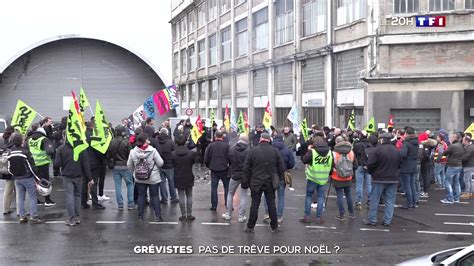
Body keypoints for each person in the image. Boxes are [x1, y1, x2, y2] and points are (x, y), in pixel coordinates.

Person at [243, 133, 285, 233]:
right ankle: (274, 227)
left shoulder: (253, 151)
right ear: (269, 139)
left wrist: (247, 181)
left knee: (254, 204)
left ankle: (250, 226)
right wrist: (279, 179)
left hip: (256, 181)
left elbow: (246, 168)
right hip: (270, 182)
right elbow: (281, 167)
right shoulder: (275, 151)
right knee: (271, 204)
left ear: (261, 139)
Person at [364, 133, 401, 227]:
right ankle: (387, 221)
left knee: (374, 200)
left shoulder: (377, 150)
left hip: (379, 178)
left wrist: (372, 173)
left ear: (382, 140)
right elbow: (400, 164)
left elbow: (370, 164)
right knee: (390, 201)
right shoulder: (396, 150)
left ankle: (372, 220)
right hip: (393, 178)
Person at [55, 141, 93, 226]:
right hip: (78, 175)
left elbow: (57, 164)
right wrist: (90, 178)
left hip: (67, 175)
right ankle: (77, 217)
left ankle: (71, 218)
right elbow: (86, 164)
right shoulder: (81, 148)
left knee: (69, 197)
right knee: (77, 196)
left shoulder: (61, 149)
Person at [7, 133, 43, 224]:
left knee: (20, 197)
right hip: (27, 178)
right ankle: (34, 216)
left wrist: (14, 175)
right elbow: (32, 167)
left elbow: (9, 168)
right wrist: (37, 178)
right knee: (32, 196)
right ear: (21, 141)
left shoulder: (10, 153)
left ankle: (22, 217)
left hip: (17, 179)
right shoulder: (26, 152)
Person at [127, 133, 164, 221]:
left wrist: (135, 170)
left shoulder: (133, 152)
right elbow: (160, 163)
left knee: (141, 196)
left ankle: (140, 216)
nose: (149, 140)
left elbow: (129, 165)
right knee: (155, 196)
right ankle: (158, 216)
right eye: (147, 139)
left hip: (139, 178)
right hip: (153, 177)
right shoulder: (153, 151)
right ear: (144, 141)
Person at [300, 136, 333, 225]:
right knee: (321, 197)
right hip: (323, 178)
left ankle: (306, 216)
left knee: (309, 196)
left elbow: (304, 160)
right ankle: (319, 217)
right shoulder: (330, 152)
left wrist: (308, 151)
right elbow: (332, 164)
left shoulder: (313, 152)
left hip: (313, 177)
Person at [263, 134, 295, 224]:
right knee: (281, 196)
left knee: (267, 195)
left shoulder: (268, 149)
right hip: (281, 175)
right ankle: (279, 216)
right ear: (283, 139)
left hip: (269, 175)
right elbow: (292, 163)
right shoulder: (287, 150)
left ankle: (267, 213)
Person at [25, 126, 56, 206]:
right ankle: (47, 200)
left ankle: (36, 200)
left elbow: (26, 149)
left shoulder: (30, 139)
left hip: (33, 164)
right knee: (45, 182)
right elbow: (50, 151)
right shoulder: (44, 139)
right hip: (43, 164)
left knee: (35, 182)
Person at [107, 125, 135, 211]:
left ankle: (120, 205)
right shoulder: (127, 142)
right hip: (126, 166)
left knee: (117, 186)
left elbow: (108, 155)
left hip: (116, 166)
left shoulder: (111, 142)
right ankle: (130, 204)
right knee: (130, 185)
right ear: (123, 132)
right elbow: (131, 155)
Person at [223, 135, 250, 223]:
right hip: (245, 176)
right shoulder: (249, 151)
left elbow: (229, 162)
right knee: (243, 195)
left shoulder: (232, 149)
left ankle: (228, 214)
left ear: (239, 139)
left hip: (234, 174)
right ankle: (241, 216)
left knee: (230, 193)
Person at [331, 136, 358, 221]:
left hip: (337, 176)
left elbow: (330, 166)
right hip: (348, 176)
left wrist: (331, 173)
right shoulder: (351, 152)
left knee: (339, 195)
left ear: (336, 142)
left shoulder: (334, 153)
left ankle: (342, 214)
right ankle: (351, 213)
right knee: (348, 194)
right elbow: (356, 165)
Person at [172, 135, 197, 222]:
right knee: (189, 195)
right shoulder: (191, 153)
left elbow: (172, 164)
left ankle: (183, 215)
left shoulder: (173, 154)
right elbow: (194, 161)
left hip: (178, 176)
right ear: (185, 142)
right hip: (189, 175)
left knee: (181, 195)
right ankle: (189, 214)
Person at [204, 130, 230, 211]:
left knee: (214, 188)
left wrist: (209, 166)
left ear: (215, 136)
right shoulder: (226, 146)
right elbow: (230, 157)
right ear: (222, 136)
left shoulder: (211, 146)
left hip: (214, 169)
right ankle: (228, 204)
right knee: (227, 188)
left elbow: (206, 158)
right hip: (225, 169)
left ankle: (214, 205)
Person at [83, 121, 106, 210]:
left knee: (84, 182)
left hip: (84, 161)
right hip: (94, 162)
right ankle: (95, 203)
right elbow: (98, 149)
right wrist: (101, 160)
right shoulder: (94, 136)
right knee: (94, 183)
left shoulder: (82, 135)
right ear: (93, 126)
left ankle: (83, 202)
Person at [440, 132, 464, 204]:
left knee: (447, 181)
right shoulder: (461, 145)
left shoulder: (452, 146)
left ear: (454, 138)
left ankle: (450, 198)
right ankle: (456, 198)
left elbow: (444, 153)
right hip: (459, 165)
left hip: (452, 165)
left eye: (451, 137)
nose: (450, 138)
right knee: (456, 182)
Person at [156, 128, 178, 204]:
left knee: (162, 182)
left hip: (160, 165)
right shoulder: (170, 142)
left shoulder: (157, 142)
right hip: (170, 165)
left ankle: (164, 198)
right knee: (171, 182)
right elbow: (175, 153)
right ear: (167, 133)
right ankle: (173, 197)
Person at [399, 127, 419, 209]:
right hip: (413, 165)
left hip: (406, 166)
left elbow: (403, 154)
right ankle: (414, 202)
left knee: (407, 186)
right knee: (412, 185)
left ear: (407, 134)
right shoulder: (416, 142)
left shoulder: (406, 143)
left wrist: (398, 152)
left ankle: (409, 203)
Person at [353, 131, 373, 208]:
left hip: (360, 165)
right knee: (368, 184)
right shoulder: (370, 145)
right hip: (368, 166)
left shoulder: (357, 145)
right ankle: (369, 201)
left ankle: (358, 201)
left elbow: (353, 154)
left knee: (359, 184)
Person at [0, 126, 15, 215]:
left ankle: (6, 209)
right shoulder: (12, 142)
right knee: (17, 190)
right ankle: (20, 212)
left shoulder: (1, 139)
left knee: (8, 189)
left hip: (4, 168)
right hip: (13, 168)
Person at [418, 132, 437, 198]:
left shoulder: (425, 146)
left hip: (425, 163)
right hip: (428, 163)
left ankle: (424, 191)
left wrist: (421, 159)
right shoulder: (430, 145)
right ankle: (425, 191)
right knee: (426, 177)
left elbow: (425, 155)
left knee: (424, 177)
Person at [461, 134, 474, 199]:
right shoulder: (471, 147)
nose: (462, 141)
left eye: (463, 140)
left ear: (466, 141)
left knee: (467, 180)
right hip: (471, 165)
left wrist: (459, 160)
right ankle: (471, 193)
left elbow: (465, 157)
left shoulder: (469, 148)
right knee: (471, 180)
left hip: (469, 166)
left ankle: (467, 193)